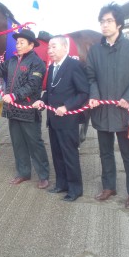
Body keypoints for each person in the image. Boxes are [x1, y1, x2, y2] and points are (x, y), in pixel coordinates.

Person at [86, 3, 129, 208]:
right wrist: (94, 95)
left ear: (119, 23)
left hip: (123, 111)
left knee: (128, 152)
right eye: (102, 21)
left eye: (109, 21)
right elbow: (91, 77)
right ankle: (108, 186)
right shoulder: (94, 50)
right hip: (102, 110)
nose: (104, 25)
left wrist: (128, 98)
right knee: (105, 151)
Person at [0, 29, 50, 189]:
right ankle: (23, 173)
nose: (18, 45)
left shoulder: (38, 63)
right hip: (13, 110)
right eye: (17, 42)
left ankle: (43, 175)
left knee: (35, 143)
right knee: (18, 143)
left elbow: (32, 85)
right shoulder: (13, 60)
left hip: (28, 110)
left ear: (31, 45)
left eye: (22, 42)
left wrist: (14, 96)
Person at [33, 35, 89, 201]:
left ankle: (75, 189)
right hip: (53, 119)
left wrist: (67, 106)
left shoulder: (74, 65)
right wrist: (41, 101)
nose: (50, 51)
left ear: (65, 48)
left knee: (69, 154)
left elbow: (83, 92)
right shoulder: (51, 68)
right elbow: (50, 93)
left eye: (54, 47)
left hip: (68, 120)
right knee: (57, 154)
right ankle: (61, 184)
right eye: (49, 47)